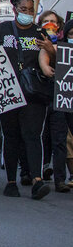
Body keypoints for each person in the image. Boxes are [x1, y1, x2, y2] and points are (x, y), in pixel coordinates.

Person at [0, 0, 53, 201]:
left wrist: (50, 48)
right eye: (23, 9)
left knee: (33, 135)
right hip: (8, 91)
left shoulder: (39, 32)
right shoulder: (2, 30)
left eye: (30, 10)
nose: (27, 13)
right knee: (11, 136)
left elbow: (54, 58)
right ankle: (11, 181)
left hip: (33, 93)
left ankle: (37, 180)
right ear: (14, 10)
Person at [39, 10, 73, 192]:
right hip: (60, 98)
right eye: (71, 34)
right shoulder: (58, 47)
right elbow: (44, 57)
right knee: (59, 138)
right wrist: (45, 66)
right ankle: (59, 179)